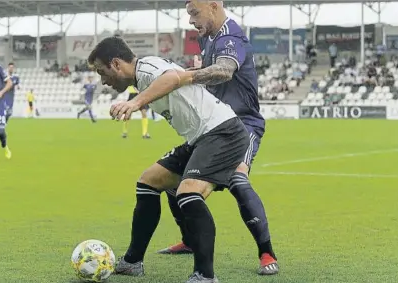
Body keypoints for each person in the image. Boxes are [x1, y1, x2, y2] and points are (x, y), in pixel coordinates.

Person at [89, 36, 251, 283]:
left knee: (188, 192)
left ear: (116, 64)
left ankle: (205, 276)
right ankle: (132, 262)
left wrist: (135, 103)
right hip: (202, 138)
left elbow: (173, 77)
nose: (103, 80)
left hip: (223, 132)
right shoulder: (142, 78)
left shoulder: (148, 67)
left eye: (102, 72)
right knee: (149, 181)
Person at [158, 0, 279, 276]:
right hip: (215, 126)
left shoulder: (229, 35)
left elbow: (224, 70)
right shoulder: (208, 38)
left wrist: (181, 77)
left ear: (213, 6)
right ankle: (190, 240)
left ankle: (266, 251)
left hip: (243, 125)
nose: (190, 20)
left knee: (237, 178)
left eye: (194, 13)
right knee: (170, 177)